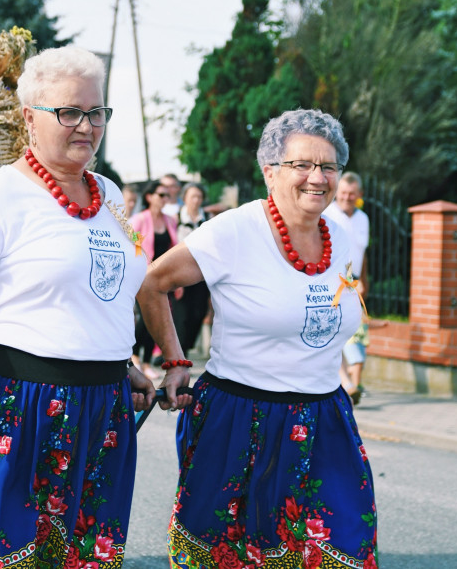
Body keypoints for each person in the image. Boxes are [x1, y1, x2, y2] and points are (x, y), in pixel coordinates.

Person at [0, 47, 187, 569]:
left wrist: (121, 364)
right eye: (69, 112)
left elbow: (103, 291)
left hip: (100, 410)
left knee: (85, 558)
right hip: (15, 408)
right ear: (29, 118)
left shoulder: (108, 195)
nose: (86, 126)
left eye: (96, 112)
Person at [138, 109, 376, 568]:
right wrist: (175, 359)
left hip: (324, 419)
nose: (317, 177)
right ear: (270, 171)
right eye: (301, 165)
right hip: (240, 419)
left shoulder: (340, 235)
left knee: (340, 548)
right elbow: (153, 283)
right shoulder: (235, 231)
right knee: (230, 555)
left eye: (328, 166)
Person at [324, 171, 371, 405]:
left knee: (349, 333)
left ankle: (346, 383)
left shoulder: (363, 218)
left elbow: (362, 253)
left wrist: (363, 280)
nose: (346, 197)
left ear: (359, 195)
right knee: (334, 332)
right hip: (331, 281)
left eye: (351, 194)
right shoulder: (327, 215)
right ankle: (346, 382)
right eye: (343, 193)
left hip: (353, 286)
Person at [129, 180, 179, 374]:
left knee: (159, 319)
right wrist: (142, 266)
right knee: (143, 319)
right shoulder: (139, 219)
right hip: (144, 276)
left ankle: (148, 362)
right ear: (149, 197)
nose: (165, 198)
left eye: (167, 195)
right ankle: (134, 357)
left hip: (165, 278)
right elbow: (134, 244)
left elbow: (174, 249)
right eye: (161, 195)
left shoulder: (170, 220)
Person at [172, 183, 210, 355]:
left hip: (202, 273)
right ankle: (179, 355)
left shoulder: (208, 218)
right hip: (179, 273)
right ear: (184, 198)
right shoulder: (175, 218)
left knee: (199, 312)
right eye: (192, 196)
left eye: (199, 197)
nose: (195, 200)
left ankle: (185, 348)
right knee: (182, 316)